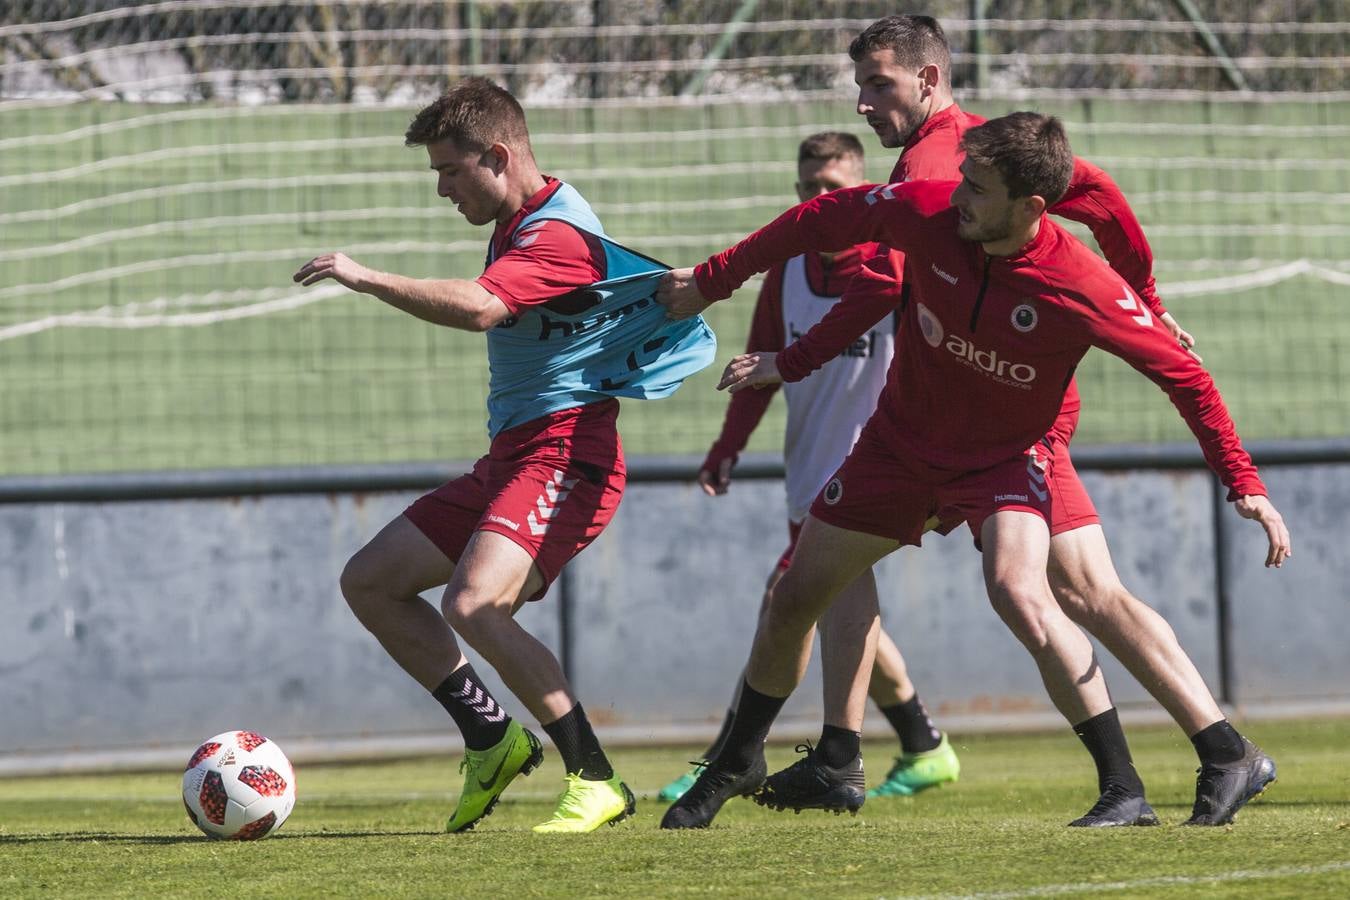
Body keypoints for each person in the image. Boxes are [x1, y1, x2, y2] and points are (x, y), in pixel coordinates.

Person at [668, 14, 1279, 828]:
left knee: (1041, 592)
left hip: (1015, 442)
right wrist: (718, 280)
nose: (860, 104)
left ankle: (1150, 776)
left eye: (875, 84)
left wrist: (1238, 472)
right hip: (906, 436)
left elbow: (1174, 355)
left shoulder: (1058, 261)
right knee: (817, 588)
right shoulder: (948, 188)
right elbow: (832, 223)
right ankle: (821, 754)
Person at [292, 77, 715, 834]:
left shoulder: (553, 236)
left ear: (497, 154)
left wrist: (365, 276)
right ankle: (490, 737)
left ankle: (596, 779)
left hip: (567, 451)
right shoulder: (522, 221)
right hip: (517, 453)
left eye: (451, 171)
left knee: (475, 604)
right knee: (372, 582)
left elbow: (485, 307)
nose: (443, 190)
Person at [657, 131, 959, 807]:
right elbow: (761, 363)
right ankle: (922, 744)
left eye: (834, 189)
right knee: (835, 611)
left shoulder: (899, 266)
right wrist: (727, 447)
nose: (820, 200)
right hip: (809, 476)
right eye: (808, 189)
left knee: (786, 601)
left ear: (862, 194)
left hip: (879, 474)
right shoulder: (788, 272)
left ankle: (729, 756)